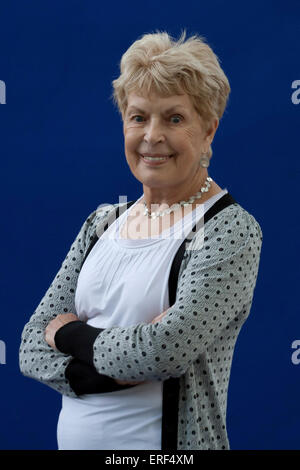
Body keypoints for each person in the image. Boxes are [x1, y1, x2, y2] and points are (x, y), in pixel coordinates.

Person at [19, 30, 263, 450]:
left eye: (174, 118)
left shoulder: (229, 229)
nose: (151, 136)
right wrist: (108, 367)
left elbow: (163, 352)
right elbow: (29, 345)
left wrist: (71, 337)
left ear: (209, 130)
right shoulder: (102, 223)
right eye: (138, 117)